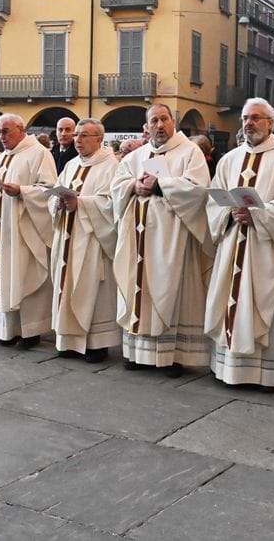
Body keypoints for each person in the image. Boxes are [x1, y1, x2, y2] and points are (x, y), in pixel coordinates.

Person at [205, 99, 274, 389]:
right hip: (233, 244)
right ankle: (230, 369)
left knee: (269, 306)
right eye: (245, 118)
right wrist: (229, 213)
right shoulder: (230, 158)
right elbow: (214, 199)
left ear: (271, 123)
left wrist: (259, 215)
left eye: (255, 118)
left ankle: (271, 375)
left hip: (268, 248)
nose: (248, 123)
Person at [112, 103, 213, 376]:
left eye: (164, 119)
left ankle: (173, 356)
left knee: (173, 292)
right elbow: (117, 184)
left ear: (173, 122)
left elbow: (199, 190)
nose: (159, 125)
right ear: (146, 126)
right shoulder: (137, 155)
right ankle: (136, 353)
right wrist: (133, 186)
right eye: (154, 120)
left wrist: (159, 185)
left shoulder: (189, 152)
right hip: (138, 238)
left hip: (173, 240)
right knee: (138, 289)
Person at [0, 114, 57, 348]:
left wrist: (22, 191)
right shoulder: (2, 157)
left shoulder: (39, 153)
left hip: (24, 230)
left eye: (5, 131)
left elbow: (49, 190)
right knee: (5, 276)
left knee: (24, 276)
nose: (1, 136)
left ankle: (30, 332)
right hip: (2, 229)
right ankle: (8, 331)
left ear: (21, 129)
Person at [49, 117, 121, 362]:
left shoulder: (111, 166)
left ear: (99, 139)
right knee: (66, 285)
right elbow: (55, 191)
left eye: (83, 135)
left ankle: (96, 345)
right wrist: (57, 202)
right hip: (67, 236)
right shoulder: (71, 165)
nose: (77, 139)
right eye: (76, 135)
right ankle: (67, 341)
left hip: (93, 241)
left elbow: (113, 204)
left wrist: (81, 203)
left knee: (92, 290)